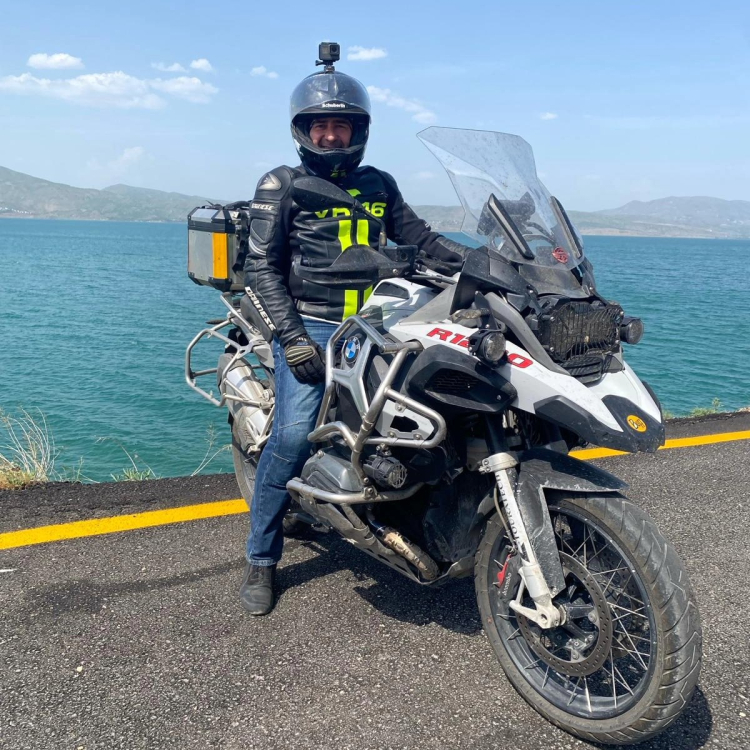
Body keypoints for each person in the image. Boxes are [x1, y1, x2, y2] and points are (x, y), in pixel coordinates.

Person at [239, 48, 473, 615]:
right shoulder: (282, 184)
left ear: (358, 130)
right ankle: (261, 558)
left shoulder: (379, 184)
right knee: (293, 436)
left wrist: (482, 264)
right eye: (320, 125)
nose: (330, 135)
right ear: (303, 131)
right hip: (314, 324)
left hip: (378, 321)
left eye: (340, 125)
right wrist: (293, 336)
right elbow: (260, 267)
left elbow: (421, 239)